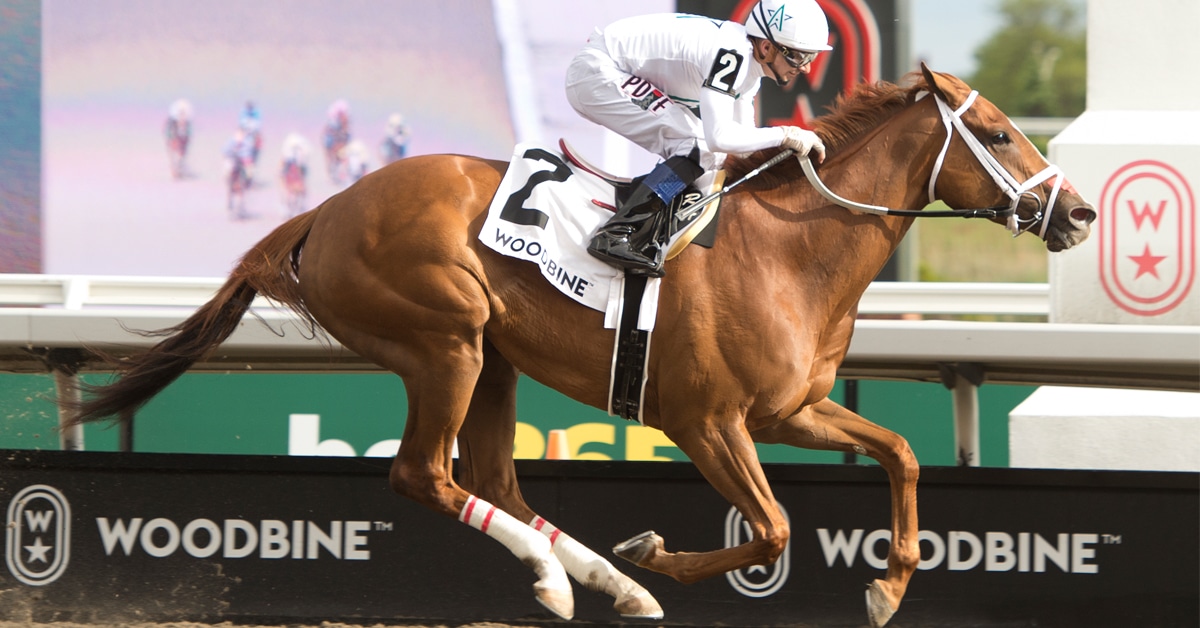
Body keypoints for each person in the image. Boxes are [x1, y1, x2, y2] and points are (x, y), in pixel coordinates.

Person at [565, 0, 831, 277]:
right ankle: (618, 232)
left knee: (707, 154)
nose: (806, 69)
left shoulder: (749, 69)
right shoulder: (732, 55)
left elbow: (740, 149)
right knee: (698, 146)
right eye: (799, 57)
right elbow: (719, 138)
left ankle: (640, 215)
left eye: (810, 58)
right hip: (598, 71)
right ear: (766, 47)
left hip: (608, 67)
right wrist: (786, 134)